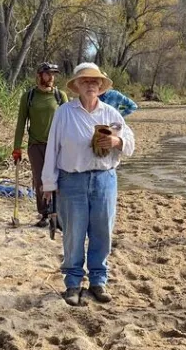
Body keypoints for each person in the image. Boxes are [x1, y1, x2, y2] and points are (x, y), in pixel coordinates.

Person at [42, 63, 135, 306]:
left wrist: (116, 141)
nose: (90, 84)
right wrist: (49, 184)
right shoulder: (64, 113)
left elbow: (131, 143)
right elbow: (52, 149)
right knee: (73, 233)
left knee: (102, 231)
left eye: (95, 81)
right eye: (85, 81)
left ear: (101, 86)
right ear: (77, 86)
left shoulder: (111, 113)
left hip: (105, 180)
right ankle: (73, 284)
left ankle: (98, 281)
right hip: (71, 180)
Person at [13, 62, 68, 227]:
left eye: (53, 74)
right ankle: (44, 214)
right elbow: (21, 123)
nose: (51, 77)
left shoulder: (60, 96)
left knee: (59, 178)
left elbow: (68, 122)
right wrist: (17, 148)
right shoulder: (28, 97)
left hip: (57, 145)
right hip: (36, 145)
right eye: (48, 74)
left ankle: (57, 213)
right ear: (39, 75)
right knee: (40, 180)